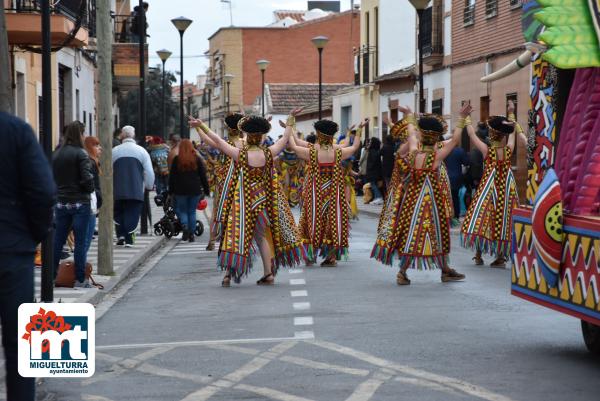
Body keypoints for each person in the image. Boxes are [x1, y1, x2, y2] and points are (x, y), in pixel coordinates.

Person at [190, 111, 305, 286]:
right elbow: (284, 139)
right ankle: (268, 273)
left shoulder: (240, 154)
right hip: (263, 200)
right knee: (260, 237)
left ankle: (228, 274)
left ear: (247, 136)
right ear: (261, 138)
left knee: (234, 234)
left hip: (242, 202)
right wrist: (290, 120)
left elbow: (218, 141)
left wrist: (201, 125)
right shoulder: (268, 153)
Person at [372, 105, 471, 285]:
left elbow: (411, 133)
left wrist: (409, 116)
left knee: (411, 232)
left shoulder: (413, 151)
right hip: (433, 202)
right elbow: (456, 139)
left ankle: (407, 272)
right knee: (438, 234)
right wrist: (462, 118)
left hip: (411, 200)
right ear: (435, 138)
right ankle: (443, 270)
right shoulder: (436, 156)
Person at [0, 112, 56, 401]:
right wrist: (32, 235)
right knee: (18, 344)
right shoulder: (16, 131)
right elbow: (43, 192)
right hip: (11, 250)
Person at [291, 118, 366, 266]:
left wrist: (289, 126)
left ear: (318, 134)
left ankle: (310, 255)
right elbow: (354, 146)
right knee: (332, 223)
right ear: (332, 135)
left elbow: (294, 145)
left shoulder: (312, 151)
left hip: (315, 194)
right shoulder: (338, 151)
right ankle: (330, 257)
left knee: (311, 221)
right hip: (333, 194)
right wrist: (359, 130)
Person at [461, 101, 527, 268]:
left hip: (490, 188)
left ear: (491, 134)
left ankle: (478, 255)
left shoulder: (487, 150)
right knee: (502, 218)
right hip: (506, 189)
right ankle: (500, 256)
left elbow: (471, 135)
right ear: (502, 136)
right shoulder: (508, 150)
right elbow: (512, 134)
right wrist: (511, 113)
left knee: (483, 217)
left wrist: (466, 118)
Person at [193, 113, 246, 251]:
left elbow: (205, 139)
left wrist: (198, 127)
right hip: (241, 181)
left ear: (228, 129)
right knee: (240, 210)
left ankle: (212, 240)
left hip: (224, 182)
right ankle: (237, 238)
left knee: (218, 211)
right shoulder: (245, 143)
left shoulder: (224, 144)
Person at [52, 121, 95, 287]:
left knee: (58, 241)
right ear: (79, 134)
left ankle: (52, 276)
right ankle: (79, 279)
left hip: (61, 202)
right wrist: (90, 187)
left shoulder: (56, 154)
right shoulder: (81, 154)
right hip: (79, 203)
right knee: (80, 242)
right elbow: (86, 179)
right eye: (83, 134)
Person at [112, 125, 155, 247]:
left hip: (117, 189)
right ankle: (130, 239)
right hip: (136, 189)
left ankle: (120, 235)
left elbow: (107, 171)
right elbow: (149, 172)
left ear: (122, 135)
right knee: (132, 213)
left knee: (119, 212)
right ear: (133, 135)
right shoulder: (142, 151)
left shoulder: (114, 151)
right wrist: (149, 185)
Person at [169, 139, 210, 242]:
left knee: (182, 210)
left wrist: (170, 191)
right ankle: (191, 233)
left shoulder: (177, 160)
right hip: (194, 189)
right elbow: (203, 176)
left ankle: (185, 227)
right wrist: (206, 189)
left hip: (180, 190)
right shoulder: (196, 159)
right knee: (192, 211)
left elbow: (172, 177)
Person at [83, 136, 103, 255]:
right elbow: (93, 186)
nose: (100, 148)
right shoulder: (90, 162)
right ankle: (79, 271)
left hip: (89, 202)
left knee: (85, 241)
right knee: (85, 241)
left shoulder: (92, 161)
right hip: (89, 203)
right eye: (96, 145)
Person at [444, 144, 470, 227]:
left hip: (445, 176)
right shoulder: (459, 150)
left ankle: (447, 216)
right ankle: (455, 216)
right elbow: (466, 162)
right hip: (456, 177)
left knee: (446, 197)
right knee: (455, 196)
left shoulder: (444, 150)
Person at [366, 137, 384, 205]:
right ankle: (377, 198)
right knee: (374, 184)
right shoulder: (376, 150)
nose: (369, 143)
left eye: (370, 142)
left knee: (373, 185)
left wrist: (369, 169)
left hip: (373, 171)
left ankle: (379, 197)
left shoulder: (372, 151)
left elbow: (372, 162)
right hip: (376, 171)